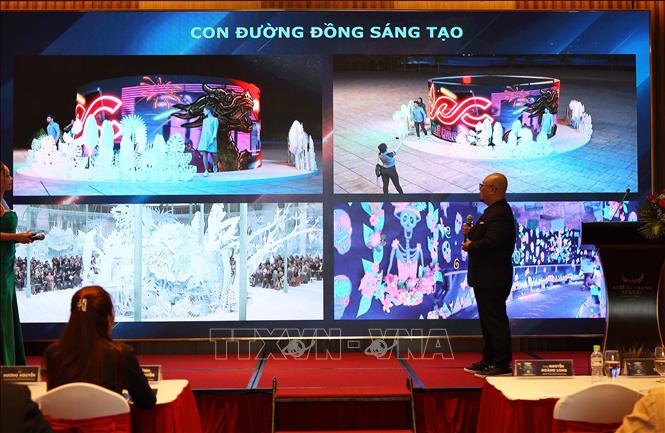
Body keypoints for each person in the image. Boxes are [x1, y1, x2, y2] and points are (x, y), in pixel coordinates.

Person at [44, 286, 156, 409]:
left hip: (64, 422)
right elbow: (147, 402)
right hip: (110, 422)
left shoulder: (53, 353)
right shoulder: (121, 354)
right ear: (109, 318)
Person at [462, 173, 516, 377]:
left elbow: (492, 242)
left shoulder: (500, 214)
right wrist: (470, 233)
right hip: (485, 276)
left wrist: (471, 245)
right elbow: (483, 237)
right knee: (487, 321)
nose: (480, 189)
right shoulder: (491, 212)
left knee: (495, 320)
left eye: (482, 185)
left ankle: (501, 363)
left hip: (493, 276)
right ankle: (489, 359)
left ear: (493, 189)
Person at [1, 162, 33, 366]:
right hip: (0, 267)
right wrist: (16, 237)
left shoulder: (3, 201)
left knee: (7, 312)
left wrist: (21, 237)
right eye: (6, 175)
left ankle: (11, 362)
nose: (11, 178)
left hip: (6, 265)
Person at [198, 106, 219, 177]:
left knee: (214, 154)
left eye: (204, 110)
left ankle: (215, 164)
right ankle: (206, 170)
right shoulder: (204, 120)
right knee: (205, 154)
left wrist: (213, 138)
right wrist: (202, 140)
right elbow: (204, 130)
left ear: (208, 110)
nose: (203, 112)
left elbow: (215, 130)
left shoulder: (215, 119)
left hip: (212, 138)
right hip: (204, 139)